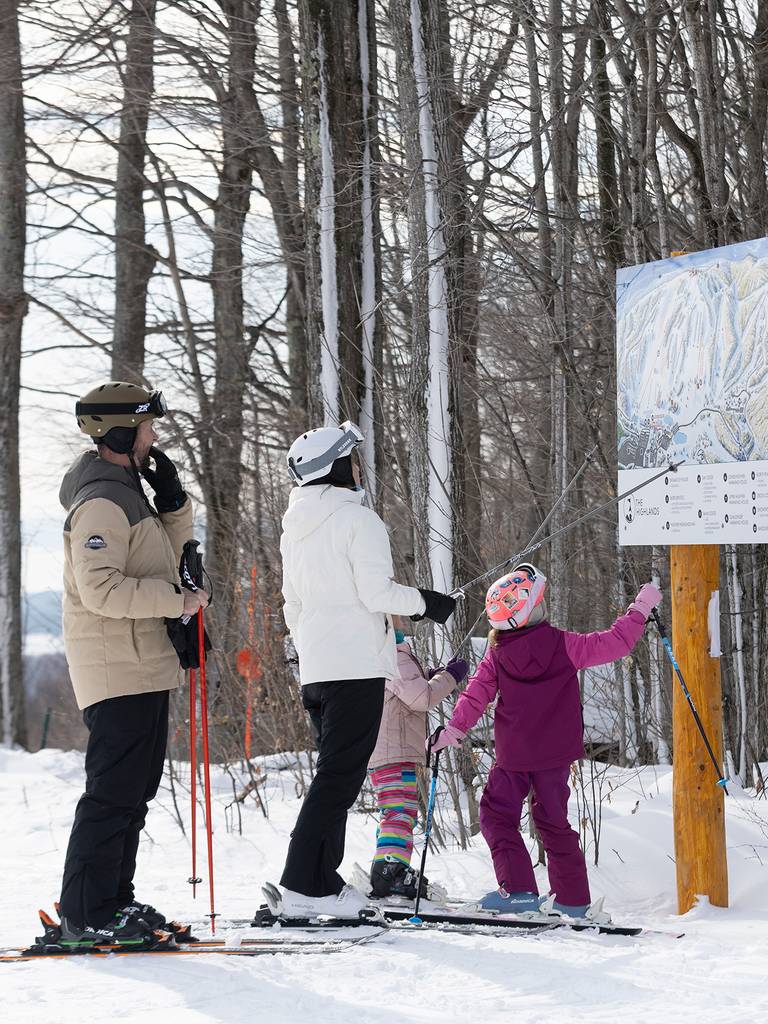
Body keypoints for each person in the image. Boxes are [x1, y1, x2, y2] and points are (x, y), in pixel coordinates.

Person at [271, 421, 457, 920]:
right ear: (335, 467)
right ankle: (304, 883)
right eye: (352, 460)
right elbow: (377, 594)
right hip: (354, 668)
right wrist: (427, 604)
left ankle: (319, 881)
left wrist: (314, 646)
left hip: (317, 668)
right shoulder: (360, 521)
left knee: (335, 776)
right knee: (339, 778)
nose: (358, 468)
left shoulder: (297, 529)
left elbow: (291, 605)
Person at [56, 381, 209, 948]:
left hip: (141, 663)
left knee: (134, 790)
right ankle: (86, 912)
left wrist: (173, 504)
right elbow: (101, 590)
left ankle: (112, 901)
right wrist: (177, 602)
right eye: (147, 427)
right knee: (113, 792)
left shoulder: (127, 491)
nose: (155, 437)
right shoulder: (100, 500)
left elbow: (171, 562)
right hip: (115, 667)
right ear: (120, 432)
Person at [431, 563, 661, 919]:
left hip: (514, 757)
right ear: (535, 610)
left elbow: (476, 693)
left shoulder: (497, 655)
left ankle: (519, 890)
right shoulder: (564, 645)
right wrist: (640, 609)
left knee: (496, 814)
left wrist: (456, 728)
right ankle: (572, 900)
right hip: (555, 756)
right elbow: (616, 643)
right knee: (554, 823)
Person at [367, 618, 468, 901]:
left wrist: (430, 675)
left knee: (395, 809)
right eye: (397, 614)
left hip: (388, 750)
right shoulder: (391, 654)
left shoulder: (385, 651)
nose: (404, 618)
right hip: (394, 751)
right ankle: (390, 871)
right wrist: (449, 677)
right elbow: (421, 698)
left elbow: (407, 689)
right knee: (400, 811)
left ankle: (387, 864)